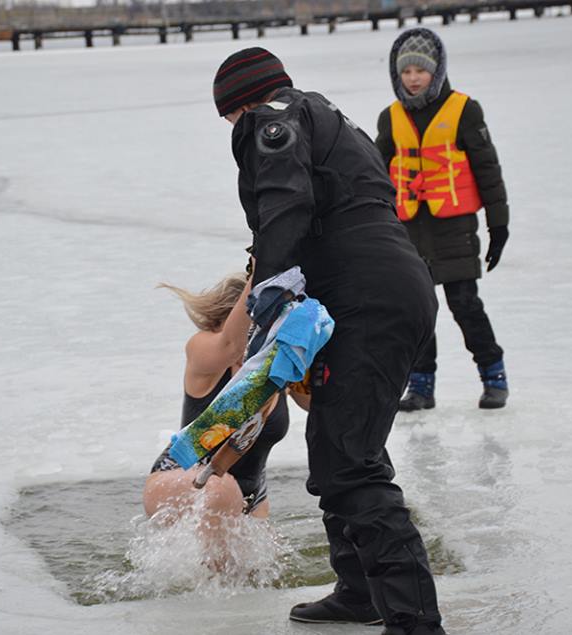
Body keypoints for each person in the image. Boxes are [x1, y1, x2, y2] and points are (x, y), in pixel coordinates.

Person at [213, 48, 445, 635]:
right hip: (387, 285)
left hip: (365, 295)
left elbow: (285, 206)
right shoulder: (330, 118)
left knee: (350, 461)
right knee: (340, 441)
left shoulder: (271, 121)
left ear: (239, 104)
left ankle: (415, 620)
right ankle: (360, 588)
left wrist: (269, 301)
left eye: (226, 119)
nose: (230, 130)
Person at [375, 27, 511, 411]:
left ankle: (493, 376)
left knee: (465, 303)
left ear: (437, 70)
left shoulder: (465, 109)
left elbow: (488, 169)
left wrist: (498, 224)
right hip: (408, 229)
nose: (414, 78)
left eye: (421, 70)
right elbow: (372, 171)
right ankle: (421, 386)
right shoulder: (391, 118)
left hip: (455, 226)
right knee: (417, 310)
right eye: (406, 72)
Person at [143, 270, 289, 534]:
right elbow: (231, 345)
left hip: (251, 496)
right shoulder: (203, 350)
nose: (257, 331)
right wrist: (261, 268)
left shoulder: (277, 364)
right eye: (252, 319)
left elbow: (320, 401)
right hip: (182, 477)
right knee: (220, 489)